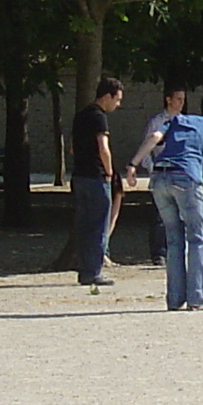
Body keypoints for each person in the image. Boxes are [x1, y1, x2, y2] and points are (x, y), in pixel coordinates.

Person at [132, 88, 203, 312]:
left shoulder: (180, 119)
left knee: (173, 238)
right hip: (186, 178)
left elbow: (155, 137)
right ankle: (197, 298)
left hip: (159, 177)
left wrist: (133, 164)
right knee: (197, 238)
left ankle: (174, 299)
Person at [70, 77, 125, 286]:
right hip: (96, 176)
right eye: (117, 99)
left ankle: (84, 269)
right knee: (99, 225)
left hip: (79, 176)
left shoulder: (80, 116)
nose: (118, 105)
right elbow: (104, 148)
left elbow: (73, 148)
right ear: (107, 96)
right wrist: (109, 172)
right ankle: (93, 271)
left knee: (83, 225)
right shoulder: (99, 118)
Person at [134, 83, 189, 268]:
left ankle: (177, 250)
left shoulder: (185, 122)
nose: (181, 103)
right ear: (169, 100)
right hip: (161, 171)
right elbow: (147, 147)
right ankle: (158, 253)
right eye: (178, 99)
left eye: (183, 99)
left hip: (179, 173)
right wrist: (152, 169)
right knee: (159, 215)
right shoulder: (157, 123)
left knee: (180, 214)